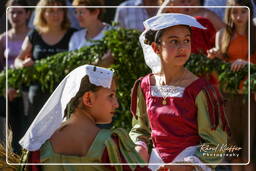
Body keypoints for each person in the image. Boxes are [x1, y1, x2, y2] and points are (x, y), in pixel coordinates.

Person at [129, 13, 230, 171]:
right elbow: (139, 128)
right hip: (155, 164)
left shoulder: (200, 90)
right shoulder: (145, 85)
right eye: (174, 41)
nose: (182, 47)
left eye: (187, 40)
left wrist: (188, 165)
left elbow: (216, 143)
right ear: (156, 47)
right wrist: (140, 145)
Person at [19, 65, 150, 171]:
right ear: (88, 98)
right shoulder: (109, 143)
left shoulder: (40, 142)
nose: (116, 104)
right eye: (111, 96)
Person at [14, 0, 76, 134]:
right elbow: (18, 60)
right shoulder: (35, 34)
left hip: (64, 94)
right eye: (51, 11)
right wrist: (22, 64)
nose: (56, 15)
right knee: (37, 134)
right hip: (37, 95)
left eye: (60, 10)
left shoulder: (73, 35)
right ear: (43, 13)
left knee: (62, 133)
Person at [207, 0, 256, 170]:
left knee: (249, 155)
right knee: (233, 153)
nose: (238, 17)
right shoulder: (222, 35)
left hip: (251, 97)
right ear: (229, 13)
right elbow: (218, 72)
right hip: (227, 97)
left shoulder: (255, 33)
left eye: (243, 12)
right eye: (234, 12)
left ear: (250, 12)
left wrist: (247, 63)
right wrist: (215, 57)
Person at [0, 0, 31, 154]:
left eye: (19, 12)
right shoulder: (3, 38)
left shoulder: (33, 35)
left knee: (26, 128)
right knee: (9, 130)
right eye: (12, 12)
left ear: (27, 14)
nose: (15, 16)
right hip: (7, 91)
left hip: (28, 89)